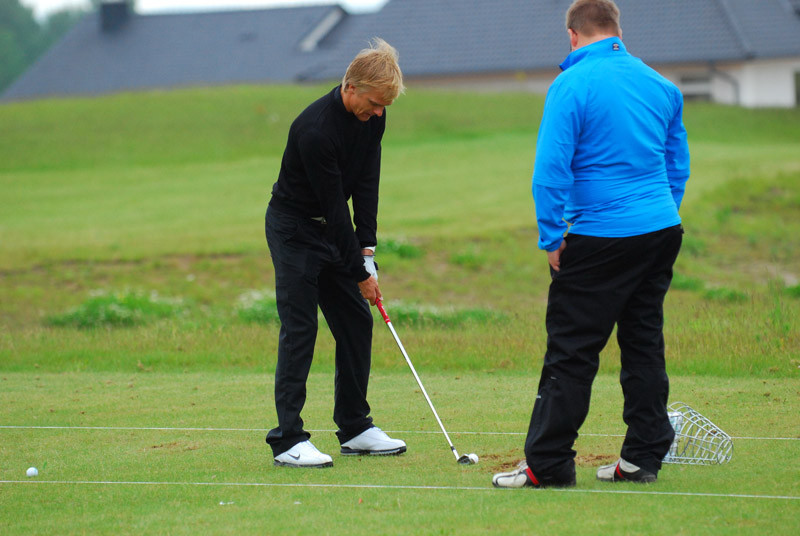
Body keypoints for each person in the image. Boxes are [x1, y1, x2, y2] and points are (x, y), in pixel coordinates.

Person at [493, 0, 690, 488]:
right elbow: (676, 166)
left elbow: (550, 170)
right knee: (643, 342)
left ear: (572, 34)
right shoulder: (662, 85)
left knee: (571, 350)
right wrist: (657, 213)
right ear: (616, 29)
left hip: (601, 237)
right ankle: (642, 458)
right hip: (660, 229)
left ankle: (549, 464)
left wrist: (551, 235)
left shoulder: (570, 84)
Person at [264, 38, 406, 468]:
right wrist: (360, 273)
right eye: (375, 103)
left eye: (385, 106)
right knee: (301, 328)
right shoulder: (315, 129)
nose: (379, 113)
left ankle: (355, 427)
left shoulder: (372, 120)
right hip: (294, 231)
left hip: (332, 233)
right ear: (352, 86)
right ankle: (288, 439)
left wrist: (367, 251)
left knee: (356, 323)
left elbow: (366, 184)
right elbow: (332, 206)